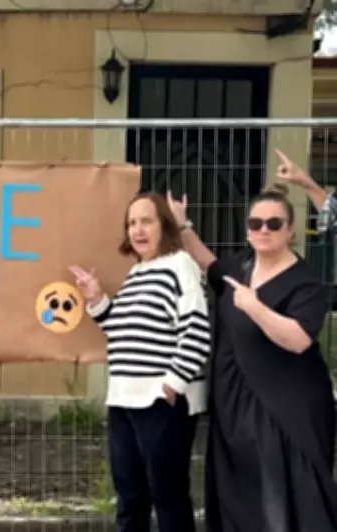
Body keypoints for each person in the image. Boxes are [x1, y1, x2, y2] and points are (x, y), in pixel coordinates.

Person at [166, 184, 337, 532]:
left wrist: (255, 307)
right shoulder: (240, 266)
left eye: (274, 224)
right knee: (238, 490)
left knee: (281, 493)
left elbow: (298, 339)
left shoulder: (305, 283)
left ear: (290, 230)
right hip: (233, 402)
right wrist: (183, 226)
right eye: (256, 223)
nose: (264, 230)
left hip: (284, 407)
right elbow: (210, 266)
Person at [68, 192, 211, 532]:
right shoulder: (136, 272)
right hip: (124, 399)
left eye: (146, 221)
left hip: (160, 401)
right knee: (130, 498)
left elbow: (197, 328)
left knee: (168, 497)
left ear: (164, 225)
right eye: (131, 223)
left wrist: (174, 382)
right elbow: (120, 330)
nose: (137, 230)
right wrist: (97, 299)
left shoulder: (180, 265)